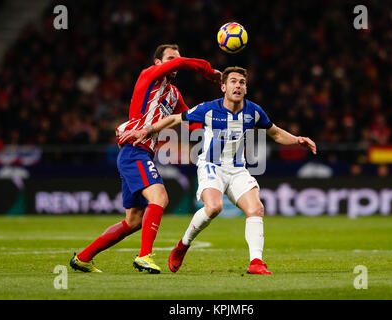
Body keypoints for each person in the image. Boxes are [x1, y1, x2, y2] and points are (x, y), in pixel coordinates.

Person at [119, 66, 316, 274]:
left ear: (246, 88)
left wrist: (297, 140)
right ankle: (183, 245)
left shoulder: (253, 112)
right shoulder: (209, 109)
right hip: (211, 166)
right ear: (223, 86)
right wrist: (148, 129)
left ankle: (256, 262)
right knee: (214, 208)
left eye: (242, 82)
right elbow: (176, 119)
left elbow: (275, 133)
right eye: (233, 81)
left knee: (256, 209)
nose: (238, 85)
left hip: (238, 169)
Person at [70, 44, 221, 273]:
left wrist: (217, 125)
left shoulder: (173, 94)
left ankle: (83, 257)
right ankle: (144, 256)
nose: (175, 63)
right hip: (134, 149)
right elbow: (181, 63)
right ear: (158, 63)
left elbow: (190, 120)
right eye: (170, 58)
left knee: (133, 222)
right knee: (159, 197)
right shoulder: (148, 75)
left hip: (141, 153)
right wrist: (209, 72)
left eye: (176, 59)